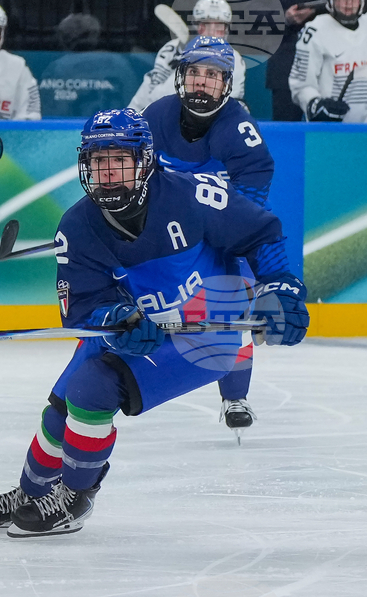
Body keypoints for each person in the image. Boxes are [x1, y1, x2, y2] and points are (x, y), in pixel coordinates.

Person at [0, 108, 308, 537]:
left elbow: (261, 234)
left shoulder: (195, 196)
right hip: (139, 326)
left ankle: (75, 497)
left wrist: (282, 288)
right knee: (60, 410)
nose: (107, 172)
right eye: (98, 161)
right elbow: (83, 306)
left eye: (119, 160)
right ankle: (31, 493)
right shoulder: (77, 226)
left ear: (144, 160)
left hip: (204, 337)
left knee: (92, 388)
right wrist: (114, 318)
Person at [143, 36, 274, 435]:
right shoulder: (156, 115)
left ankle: (235, 395)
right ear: (181, 77)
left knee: (234, 304)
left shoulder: (241, 130)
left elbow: (247, 208)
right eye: (195, 72)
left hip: (217, 234)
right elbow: (136, 178)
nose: (202, 82)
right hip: (166, 234)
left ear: (227, 83)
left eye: (212, 75)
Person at [128, 0, 246, 113]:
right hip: (165, 117)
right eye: (206, 25)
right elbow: (150, 95)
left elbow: (230, 106)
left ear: (226, 29)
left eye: (218, 26)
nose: (211, 32)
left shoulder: (234, 59)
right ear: (196, 26)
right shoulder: (172, 48)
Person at [37, 12, 138, 118]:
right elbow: (133, 100)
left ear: (64, 39)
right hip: (116, 125)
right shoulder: (120, 62)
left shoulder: (57, 67)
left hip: (70, 127)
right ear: (95, 36)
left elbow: (47, 112)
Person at [289, 0, 367, 123]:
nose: (348, 3)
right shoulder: (315, 30)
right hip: (331, 128)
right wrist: (315, 105)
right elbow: (300, 84)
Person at [265, 0, 321, 121]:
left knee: (327, 128)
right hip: (285, 67)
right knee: (285, 128)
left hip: (327, 66)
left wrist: (318, 8)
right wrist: (285, 18)